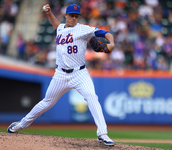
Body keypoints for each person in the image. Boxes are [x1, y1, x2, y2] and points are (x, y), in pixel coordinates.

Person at [7, 3, 115, 146]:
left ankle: (102, 134)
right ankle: (21, 124)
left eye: (76, 16)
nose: (74, 18)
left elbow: (105, 33)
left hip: (80, 73)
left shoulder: (83, 29)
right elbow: (57, 27)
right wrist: (49, 14)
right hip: (61, 75)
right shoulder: (60, 29)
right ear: (66, 15)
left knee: (92, 97)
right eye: (71, 16)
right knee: (47, 102)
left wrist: (111, 43)